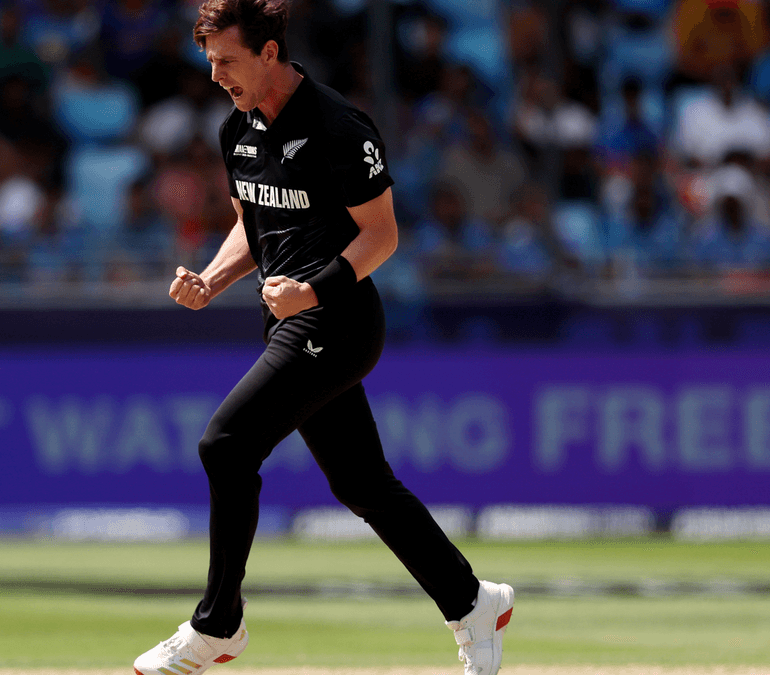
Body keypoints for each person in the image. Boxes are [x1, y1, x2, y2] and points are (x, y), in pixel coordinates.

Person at [132, 2, 515, 675]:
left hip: (336, 320)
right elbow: (254, 226)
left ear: (271, 52)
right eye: (210, 60)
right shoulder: (238, 130)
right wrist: (213, 278)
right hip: (290, 320)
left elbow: (383, 235)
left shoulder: (340, 125)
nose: (216, 74)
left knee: (225, 443)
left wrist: (311, 290)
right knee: (363, 484)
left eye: (227, 59)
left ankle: (218, 624)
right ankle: (472, 600)